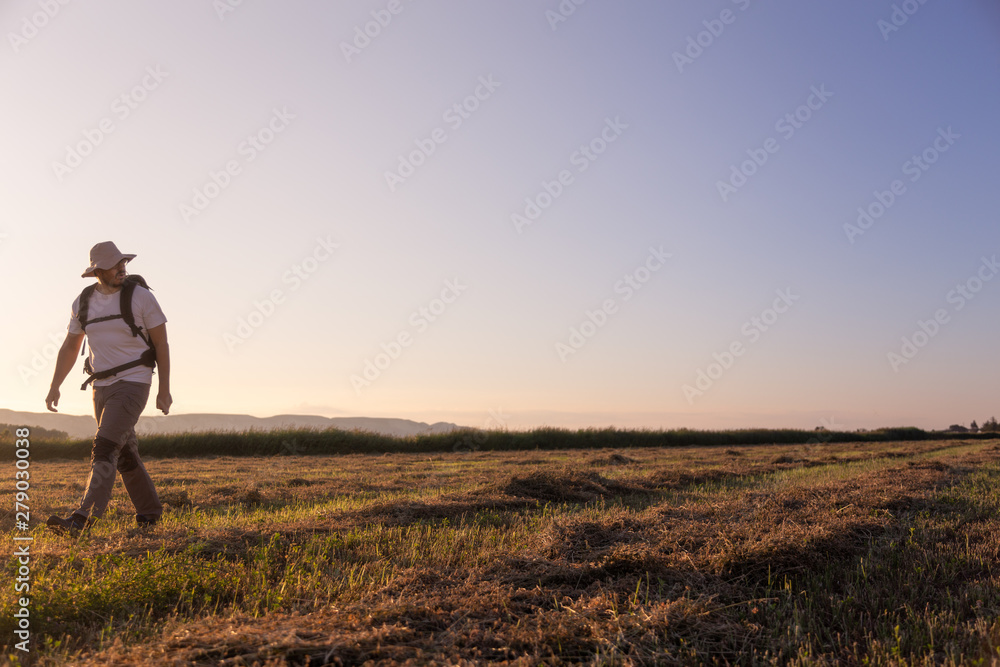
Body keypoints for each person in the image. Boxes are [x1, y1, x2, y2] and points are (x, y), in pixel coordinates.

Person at [45, 241, 172, 535]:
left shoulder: (141, 297)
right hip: (99, 386)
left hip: (134, 382)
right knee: (124, 452)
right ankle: (150, 514)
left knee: (104, 447)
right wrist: (55, 385)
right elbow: (70, 346)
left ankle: (82, 518)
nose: (122, 268)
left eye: (122, 263)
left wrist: (163, 389)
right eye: (115, 265)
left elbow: (162, 344)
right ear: (98, 270)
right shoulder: (83, 301)